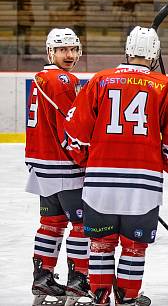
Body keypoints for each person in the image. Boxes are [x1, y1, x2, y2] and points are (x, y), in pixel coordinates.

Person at [64, 26, 168, 305]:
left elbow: (75, 132)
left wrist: (88, 161)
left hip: (99, 182)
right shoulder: (165, 86)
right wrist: (165, 164)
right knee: (134, 247)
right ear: (154, 54)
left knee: (100, 245)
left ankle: (99, 297)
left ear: (128, 50)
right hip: (143, 185)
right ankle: (127, 299)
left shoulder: (100, 80)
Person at [26, 28, 89, 306]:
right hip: (64, 165)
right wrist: (89, 157)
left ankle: (43, 278)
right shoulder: (64, 80)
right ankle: (78, 281)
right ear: (51, 52)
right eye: (63, 50)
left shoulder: (40, 78)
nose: (70, 55)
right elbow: (73, 126)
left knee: (50, 224)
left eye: (74, 49)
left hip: (41, 164)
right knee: (81, 224)